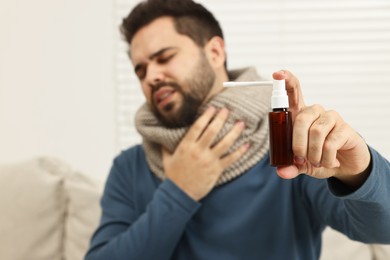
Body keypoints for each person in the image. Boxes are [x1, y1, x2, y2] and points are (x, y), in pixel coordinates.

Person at [85, 0, 390, 259]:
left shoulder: (290, 151)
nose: (150, 76)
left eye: (164, 57)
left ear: (215, 52)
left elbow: (383, 230)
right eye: (141, 70)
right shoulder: (130, 167)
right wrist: (179, 191)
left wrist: (360, 169)